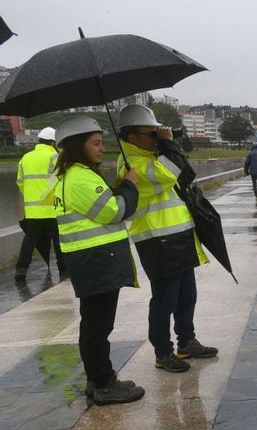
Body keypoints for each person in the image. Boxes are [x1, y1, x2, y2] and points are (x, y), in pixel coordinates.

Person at [116, 104, 217, 373]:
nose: (157, 138)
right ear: (132, 136)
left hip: (178, 236)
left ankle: (187, 341)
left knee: (187, 296)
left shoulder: (152, 157)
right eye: (151, 134)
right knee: (165, 300)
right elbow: (166, 175)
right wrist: (168, 146)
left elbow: (183, 173)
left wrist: (168, 146)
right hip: (157, 241)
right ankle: (163, 352)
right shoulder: (131, 163)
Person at [53, 115, 144, 405]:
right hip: (96, 261)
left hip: (91, 260)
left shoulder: (75, 176)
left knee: (94, 324)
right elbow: (114, 212)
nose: (101, 148)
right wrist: (129, 186)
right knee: (98, 326)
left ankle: (98, 379)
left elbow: (101, 207)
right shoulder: (79, 177)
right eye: (94, 143)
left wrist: (114, 187)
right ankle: (104, 384)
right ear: (78, 147)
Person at [15, 127, 65, 281]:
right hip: (53, 210)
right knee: (58, 242)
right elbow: (63, 181)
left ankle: (21, 270)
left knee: (30, 240)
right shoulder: (55, 157)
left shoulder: (25, 158)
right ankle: (64, 270)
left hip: (33, 211)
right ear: (52, 142)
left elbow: (20, 183)